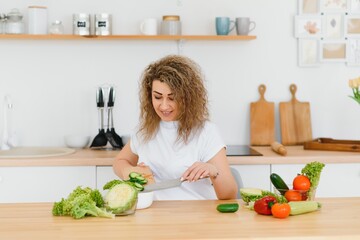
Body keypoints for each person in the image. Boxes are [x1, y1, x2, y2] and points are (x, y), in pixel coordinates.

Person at [113, 55, 237, 200]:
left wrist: (213, 171)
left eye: (172, 98)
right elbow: (119, 161)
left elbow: (229, 194)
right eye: (158, 97)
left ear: (188, 97)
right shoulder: (147, 130)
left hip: (198, 216)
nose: (164, 106)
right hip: (154, 215)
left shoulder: (206, 131)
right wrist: (128, 170)